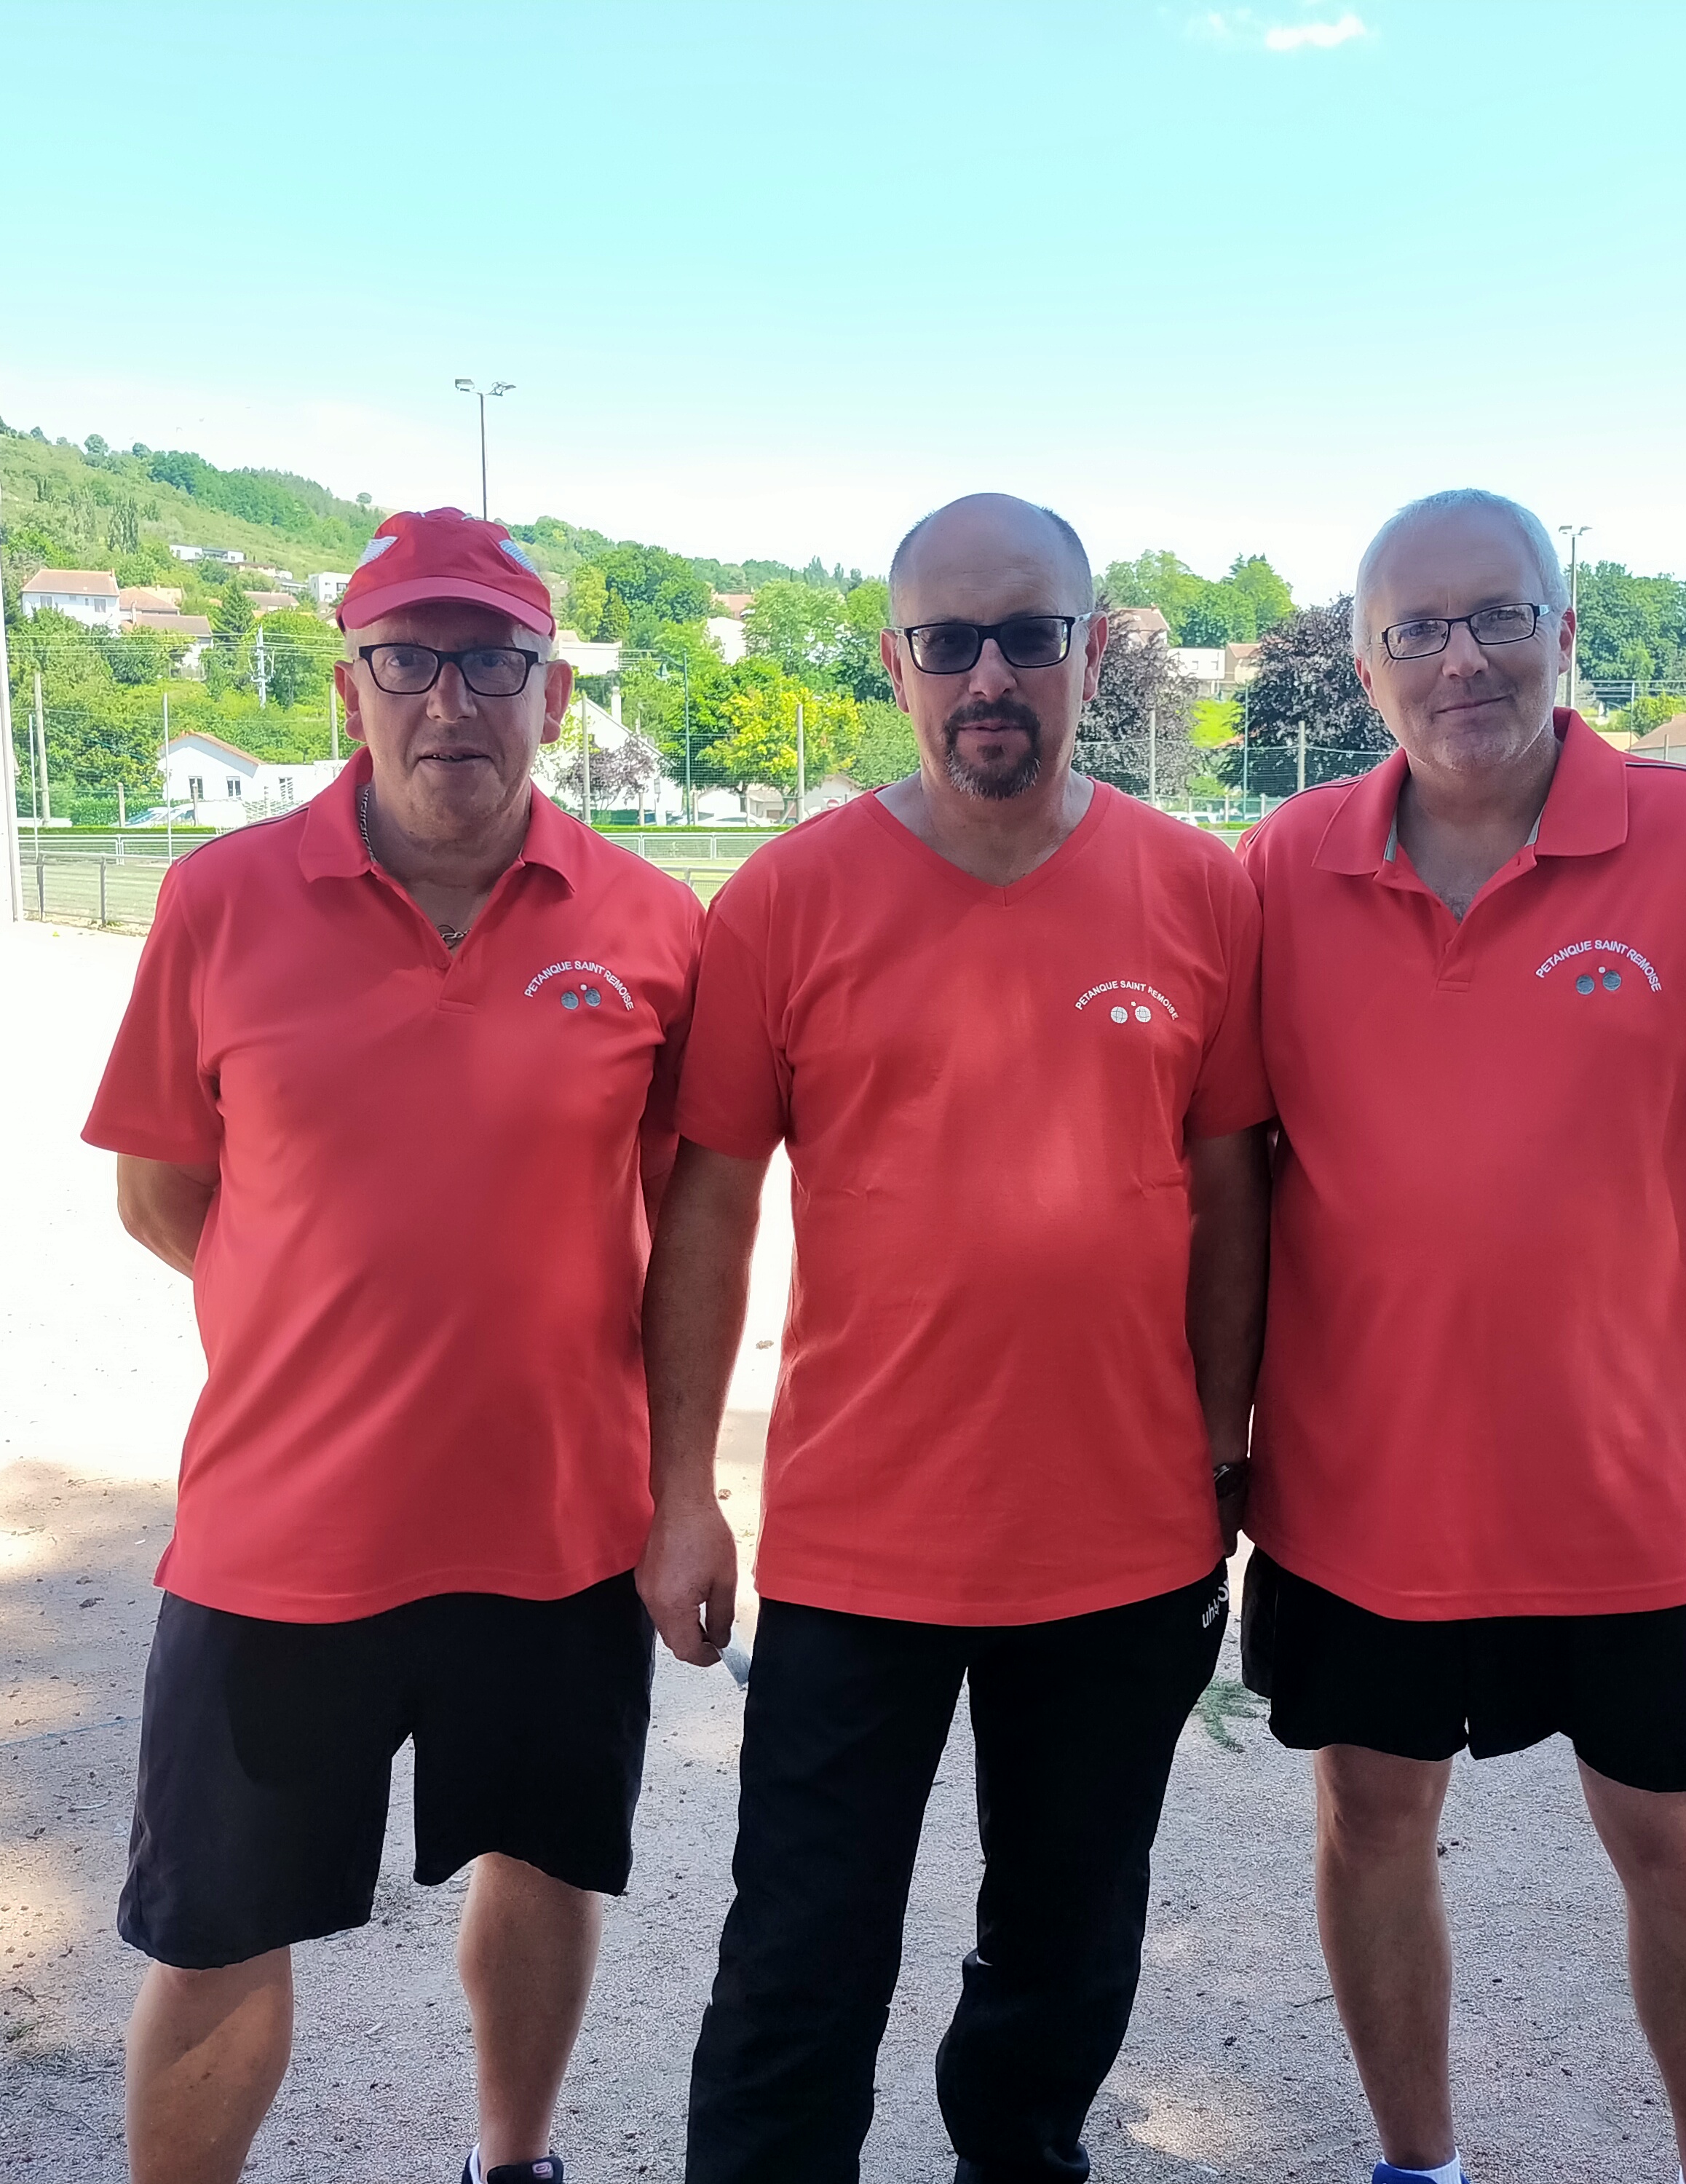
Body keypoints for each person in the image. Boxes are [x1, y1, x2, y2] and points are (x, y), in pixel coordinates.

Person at [638, 491, 1272, 2183]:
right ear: (894, 662)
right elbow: (708, 1207)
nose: (989, 675)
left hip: (1121, 1546)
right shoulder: (785, 901)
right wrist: (682, 1490)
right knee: (798, 1970)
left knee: (1062, 1961)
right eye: (949, 642)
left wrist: (1224, 1451)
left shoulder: (1198, 893)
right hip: (861, 1548)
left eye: (1028, 636)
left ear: (1090, 645)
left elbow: (1230, 1201)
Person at [1235, 490, 1686, 2184]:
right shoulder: (1281, 871)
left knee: (1675, 1851)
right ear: (1363, 666)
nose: (1461, 660)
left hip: (1610, 1491)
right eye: (1416, 630)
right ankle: (1416, 2167)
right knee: (1374, 1824)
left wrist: (1649, 1312)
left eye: (1498, 617)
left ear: (1564, 636)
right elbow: (1230, 1166)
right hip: (1357, 1484)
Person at [82, 508, 705, 2184]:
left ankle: (515, 2162)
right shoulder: (220, 900)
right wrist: (325, 1327)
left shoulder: (650, 924)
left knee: (545, 1864)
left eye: (490, 661)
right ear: (351, 690)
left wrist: (677, 1488)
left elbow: (673, 1236)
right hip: (284, 1532)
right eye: (409, 661)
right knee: (215, 1928)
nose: (452, 701)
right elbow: (164, 1194)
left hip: (557, 1528)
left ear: (553, 695)